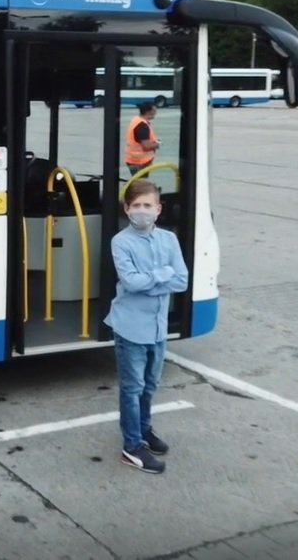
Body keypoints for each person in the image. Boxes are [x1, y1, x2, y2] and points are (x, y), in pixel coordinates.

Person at [104, 179, 188, 474]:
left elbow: (181, 280)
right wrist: (161, 277)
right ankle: (132, 446)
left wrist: (151, 280)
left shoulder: (169, 239)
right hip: (130, 327)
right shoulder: (121, 242)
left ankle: (144, 429)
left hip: (157, 327)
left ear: (159, 209)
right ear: (127, 209)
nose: (142, 211)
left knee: (150, 385)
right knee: (133, 387)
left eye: (147, 205)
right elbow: (131, 282)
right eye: (136, 206)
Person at [124, 102, 160, 175]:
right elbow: (146, 146)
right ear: (148, 112)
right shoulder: (142, 126)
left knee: (138, 183)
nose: (156, 113)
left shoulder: (136, 120)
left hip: (133, 159)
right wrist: (157, 144)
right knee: (140, 184)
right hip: (140, 162)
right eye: (154, 111)